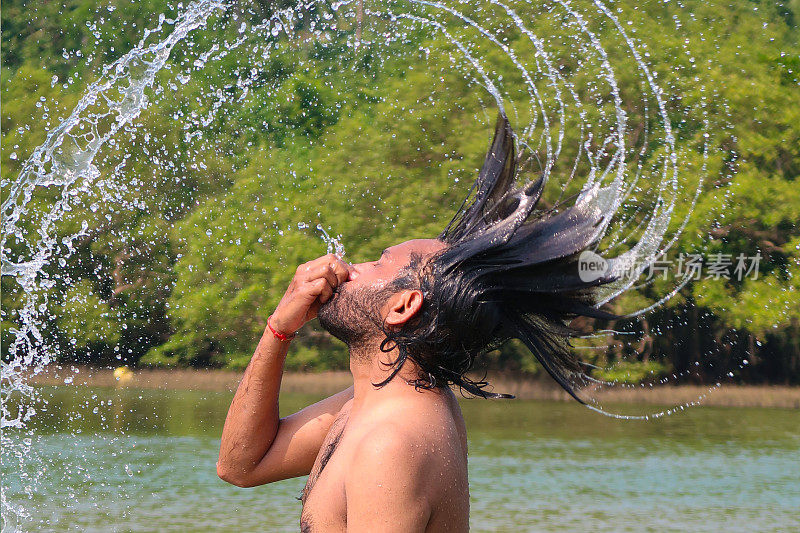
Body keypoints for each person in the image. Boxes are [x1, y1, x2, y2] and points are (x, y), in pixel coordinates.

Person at [217, 113, 617, 532]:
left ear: (402, 306)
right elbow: (241, 465)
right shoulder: (375, 402)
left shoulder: (391, 442)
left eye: (378, 262)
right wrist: (279, 327)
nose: (350, 266)